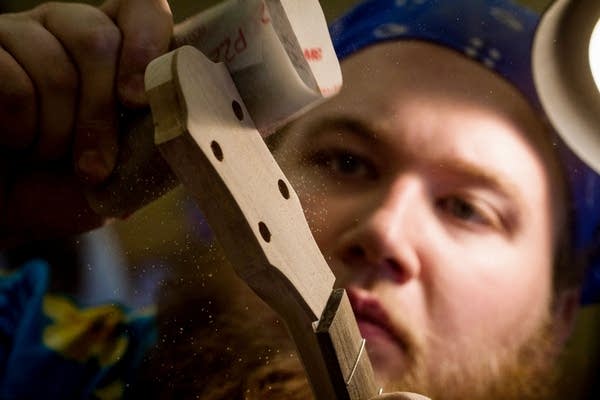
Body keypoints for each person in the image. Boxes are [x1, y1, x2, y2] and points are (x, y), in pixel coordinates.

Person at [1, 0, 599, 399]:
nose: (386, 231)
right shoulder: (24, 354)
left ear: (560, 314)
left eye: (467, 209)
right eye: (345, 161)